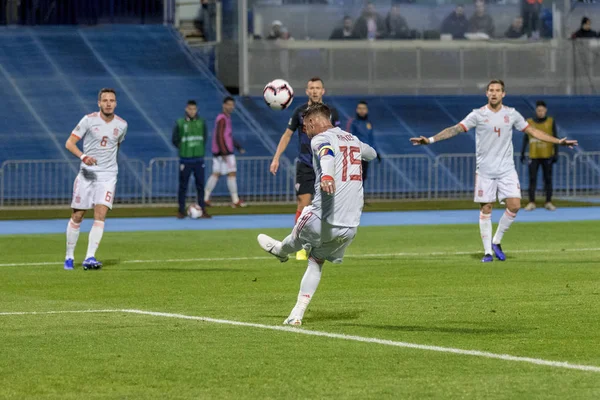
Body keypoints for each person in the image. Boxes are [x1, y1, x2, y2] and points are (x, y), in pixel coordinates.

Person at [410, 80, 577, 263]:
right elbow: (456, 129)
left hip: (506, 170)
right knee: (486, 208)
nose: (494, 93)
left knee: (514, 205)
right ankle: (488, 252)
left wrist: (558, 142)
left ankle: (496, 241)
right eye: (491, 90)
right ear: (487, 93)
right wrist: (431, 140)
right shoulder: (478, 114)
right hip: (485, 171)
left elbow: (533, 132)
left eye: (497, 90)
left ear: (503, 94)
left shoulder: (511, 114)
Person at [257, 103, 377, 326]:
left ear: (313, 122)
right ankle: (296, 313)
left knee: (294, 239)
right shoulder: (351, 138)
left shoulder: (319, 139)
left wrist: (328, 176)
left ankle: (280, 251)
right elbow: (371, 153)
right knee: (315, 261)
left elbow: (326, 154)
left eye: (305, 126)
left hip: (321, 219)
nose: (305, 130)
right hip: (350, 228)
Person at [269, 77, 340, 261]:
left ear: (323, 91)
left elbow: (339, 137)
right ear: (307, 91)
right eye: (311, 88)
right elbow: (287, 135)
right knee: (303, 204)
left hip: (325, 165)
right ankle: (300, 245)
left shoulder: (331, 112)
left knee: (327, 207)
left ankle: (321, 244)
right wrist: (276, 158)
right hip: (306, 164)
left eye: (318, 88)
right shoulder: (299, 112)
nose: (315, 91)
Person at [64, 88, 128, 270]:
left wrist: (108, 164)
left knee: (100, 215)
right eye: (105, 100)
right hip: (88, 173)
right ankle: (69, 256)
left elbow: (116, 145)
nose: (108, 103)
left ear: (116, 103)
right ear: (99, 103)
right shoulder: (89, 120)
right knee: (78, 215)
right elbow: (69, 143)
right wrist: (84, 157)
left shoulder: (122, 125)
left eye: (112, 100)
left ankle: (89, 257)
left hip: (108, 175)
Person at [204, 96, 246, 207]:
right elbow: (219, 136)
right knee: (231, 174)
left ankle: (205, 198)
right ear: (224, 105)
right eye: (229, 104)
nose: (231, 107)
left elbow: (228, 136)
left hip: (219, 152)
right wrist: (224, 152)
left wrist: (237, 146)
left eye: (232, 105)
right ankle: (235, 200)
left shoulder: (225, 118)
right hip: (225, 152)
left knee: (215, 174)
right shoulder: (222, 118)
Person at [172, 100, 210, 219]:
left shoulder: (202, 122)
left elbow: (204, 137)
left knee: (200, 185)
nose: (192, 111)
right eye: (190, 109)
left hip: (198, 159)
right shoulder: (180, 123)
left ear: (197, 110)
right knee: (183, 186)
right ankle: (181, 210)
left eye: (194, 109)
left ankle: (202, 209)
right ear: (186, 109)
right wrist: (184, 149)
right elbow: (175, 139)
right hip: (186, 159)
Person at [521, 100, 559, 211]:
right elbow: (525, 138)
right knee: (532, 179)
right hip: (534, 155)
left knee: (548, 179)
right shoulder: (529, 122)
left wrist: (556, 153)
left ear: (545, 111)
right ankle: (531, 202)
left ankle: (548, 202)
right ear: (536, 111)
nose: (540, 112)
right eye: (538, 110)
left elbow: (555, 138)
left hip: (547, 155)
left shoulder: (551, 122)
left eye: (542, 110)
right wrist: (523, 152)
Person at [348, 101, 380, 185]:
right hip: (355, 155)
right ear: (356, 110)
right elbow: (348, 137)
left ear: (367, 110)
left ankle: (360, 197)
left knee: (363, 176)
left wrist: (376, 151)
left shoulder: (368, 124)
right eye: (360, 108)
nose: (362, 110)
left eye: (364, 108)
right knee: (354, 177)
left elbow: (371, 139)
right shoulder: (353, 123)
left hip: (365, 155)